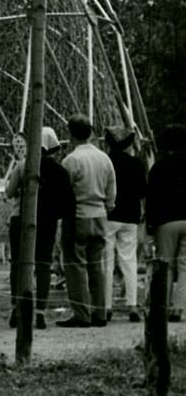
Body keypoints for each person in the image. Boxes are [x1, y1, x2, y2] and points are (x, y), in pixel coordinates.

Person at [4, 126, 74, 330]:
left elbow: (9, 192)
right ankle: (40, 311)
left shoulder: (22, 165)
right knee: (43, 265)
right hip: (47, 221)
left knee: (18, 264)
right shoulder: (60, 170)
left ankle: (16, 308)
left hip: (20, 217)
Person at [58, 114, 116, 327]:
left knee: (75, 266)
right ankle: (99, 313)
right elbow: (111, 190)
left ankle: (81, 313)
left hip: (78, 216)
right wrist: (106, 206)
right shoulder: (104, 158)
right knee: (96, 266)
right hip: (100, 214)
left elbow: (64, 192)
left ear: (71, 134)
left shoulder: (71, 160)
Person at [104, 125, 147, 322]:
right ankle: (132, 304)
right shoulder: (136, 164)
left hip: (109, 214)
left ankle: (106, 305)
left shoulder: (106, 162)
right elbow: (141, 192)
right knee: (129, 260)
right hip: (130, 216)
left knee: (107, 261)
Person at [145, 123, 186, 323]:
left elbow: (152, 197)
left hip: (166, 221)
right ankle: (180, 307)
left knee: (166, 265)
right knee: (185, 265)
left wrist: (150, 224)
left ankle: (163, 306)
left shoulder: (159, 167)